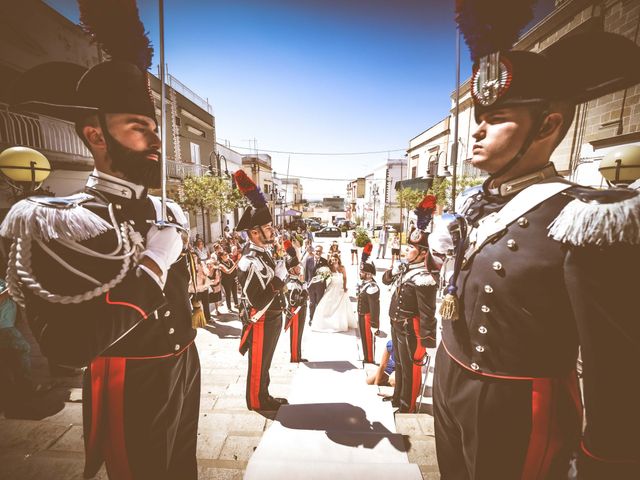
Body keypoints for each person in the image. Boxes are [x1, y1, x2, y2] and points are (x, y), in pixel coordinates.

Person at [433, 27, 640, 479]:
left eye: (499, 116)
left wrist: (608, 460)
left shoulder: (588, 216)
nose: (478, 130)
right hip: (449, 378)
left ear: (547, 125)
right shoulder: (475, 202)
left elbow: (615, 364)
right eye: (479, 117)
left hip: (518, 405)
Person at [2, 24, 200, 479]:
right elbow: (68, 349)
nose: (154, 143)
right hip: (130, 378)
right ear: (95, 135)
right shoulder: (58, 220)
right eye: (138, 128)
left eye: (154, 129)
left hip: (184, 363)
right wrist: (153, 263)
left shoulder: (162, 211)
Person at [234, 170, 288, 411]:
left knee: (265, 362)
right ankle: (256, 400)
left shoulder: (263, 253)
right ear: (254, 233)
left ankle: (264, 394)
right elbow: (257, 300)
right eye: (267, 228)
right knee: (258, 363)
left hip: (273, 317)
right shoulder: (249, 261)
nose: (272, 231)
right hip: (262, 320)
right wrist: (278, 280)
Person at [381, 218, 438, 414]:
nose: (406, 250)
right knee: (399, 363)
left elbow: (427, 312)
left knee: (410, 367)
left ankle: (408, 405)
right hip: (396, 324)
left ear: (423, 252)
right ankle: (398, 397)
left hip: (410, 329)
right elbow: (386, 280)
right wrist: (394, 268)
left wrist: (429, 341)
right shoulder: (407, 268)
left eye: (411, 248)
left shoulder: (424, 277)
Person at [311, 254, 357, 333]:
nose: (334, 261)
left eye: (335, 259)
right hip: (331, 287)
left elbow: (345, 278)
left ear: (338, 260)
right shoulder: (329, 269)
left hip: (340, 288)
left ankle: (340, 323)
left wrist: (345, 287)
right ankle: (326, 323)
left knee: (341, 306)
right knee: (327, 304)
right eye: (332, 260)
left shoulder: (342, 268)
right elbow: (324, 279)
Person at [283, 241, 308, 363]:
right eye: (297, 267)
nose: (300, 268)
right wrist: (303, 294)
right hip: (295, 313)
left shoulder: (297, 281)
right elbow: (294, 302)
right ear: (292, 271)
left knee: (299, 335)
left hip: (300, 312)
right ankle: (294, 357)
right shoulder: (292, 284)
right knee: (295, 335)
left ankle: (298, 355)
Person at [356, 262, 380, 364]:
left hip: (368, 317)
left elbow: (375, 308)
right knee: (364, 338)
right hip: (362, 315)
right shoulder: (365, 285)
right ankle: (366, 358)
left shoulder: (372, 287)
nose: (360, 273)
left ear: (369, 274)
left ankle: (370, 359)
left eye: (362, 272)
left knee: (368, 340)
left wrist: (374, 325)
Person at [304, 245, 329, 323]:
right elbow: (306, 273)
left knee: (319, 303)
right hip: (310, 286)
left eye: (319, 251)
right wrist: (305, 284)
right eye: (316, 251)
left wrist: (324, 284)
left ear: (321, 252)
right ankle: (311, 319)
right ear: (314, 251)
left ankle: (318, 320)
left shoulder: (324, 261)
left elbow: (326, 274)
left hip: (320, 286)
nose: (318, 252)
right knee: (311, 303)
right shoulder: (309, 260)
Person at [188, 252, 212, 322]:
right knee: (195, 305)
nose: (194, 257)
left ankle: (208, 318)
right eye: (192, 256)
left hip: (203, 286)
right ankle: (198, 320)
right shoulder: (189, 266)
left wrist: (202, 271)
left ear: (198, 257)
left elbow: (207, 273)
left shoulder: (201, 264)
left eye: (195, 256)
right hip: (194, 288)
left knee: (206, 304)